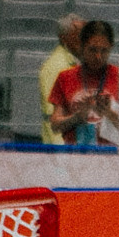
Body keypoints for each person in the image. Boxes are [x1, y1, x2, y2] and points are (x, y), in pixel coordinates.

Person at [47, 19, 119, 146]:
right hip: (75, 156)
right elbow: (55, 126)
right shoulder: (65, 78)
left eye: (104, 51)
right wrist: (77, 117)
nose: (98, 56)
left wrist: (109, 113)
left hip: (111, 156)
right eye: (92, 50)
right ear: (82, 47)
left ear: (111, 47)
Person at [37, 13, 81, 143]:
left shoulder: (73, 63)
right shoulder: (55, 67)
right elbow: (52, 115)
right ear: (64, 38)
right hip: (60, 145)